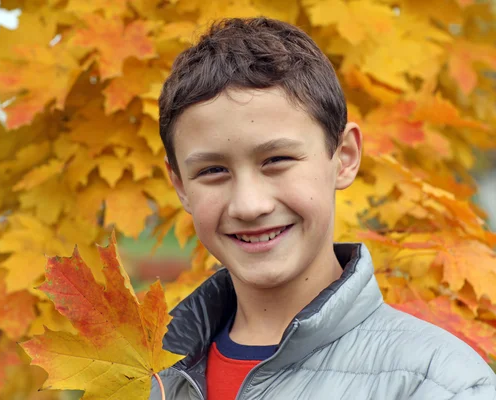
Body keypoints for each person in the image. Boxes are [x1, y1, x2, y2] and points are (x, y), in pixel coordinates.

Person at [149, 17, 496, 400]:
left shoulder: (437, 383)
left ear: (344, 157)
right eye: (213, 170)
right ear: (180, 184)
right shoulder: (147, 376)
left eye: (277, 159)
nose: (249, 205)